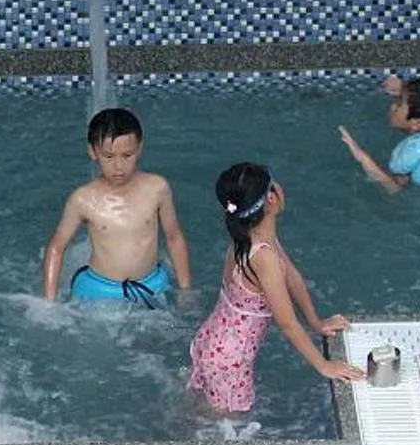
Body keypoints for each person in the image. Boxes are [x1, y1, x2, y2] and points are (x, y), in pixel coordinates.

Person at [186, 164, 363, 416]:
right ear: (271, 198)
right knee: (223, 429)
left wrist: (316, 323)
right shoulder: (263, 257)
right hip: (230, 361)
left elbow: (293, 279)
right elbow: (287, 322)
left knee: (200, 413)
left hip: (214, 343)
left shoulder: (252, 239)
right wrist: (324, 366)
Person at [42, 108, 193, 306]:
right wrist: (49, 304)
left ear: (140, 148)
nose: (119, 167)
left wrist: (186, 289)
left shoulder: (157, 188)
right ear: (93, 152)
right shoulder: (83, 199)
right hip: (99, 289)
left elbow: (174, 237)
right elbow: (57, 246)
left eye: (127, 155)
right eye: (109, 157)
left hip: (151, 283)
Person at [340, 74, 420, 192]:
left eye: (399, 104)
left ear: (417, 123)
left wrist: (362, 157)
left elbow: (395, 190)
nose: (392, 106)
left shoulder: (417, 154)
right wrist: (405, 90)